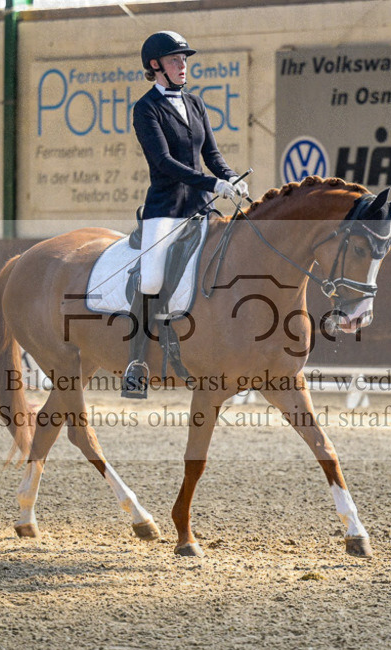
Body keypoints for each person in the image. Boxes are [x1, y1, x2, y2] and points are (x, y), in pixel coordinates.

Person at [121, 30, 248, 399]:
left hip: (201, 209)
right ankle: (136, 363)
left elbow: (212, 153)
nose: (183, 65)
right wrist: (212, 184)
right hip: (166, 208)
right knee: (151, 279)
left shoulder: (195, 103)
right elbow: (164, 162)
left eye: (184, 60)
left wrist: (229, 177)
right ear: (155, 66)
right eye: (175, 60)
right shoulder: (146, 109)